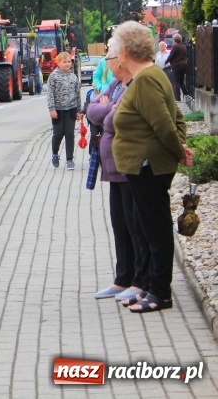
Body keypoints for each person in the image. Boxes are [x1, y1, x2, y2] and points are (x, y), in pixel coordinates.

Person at [112, 21, 193, 313]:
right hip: (142, 166)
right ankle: (149, 286)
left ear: (124, 51)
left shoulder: (146, 79)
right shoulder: (150, 75)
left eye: (114, 48)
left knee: (155, 230)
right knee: (145, 228)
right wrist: (180, 146)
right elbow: (176, 120)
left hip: (148, 166)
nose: (114, 54)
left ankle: (160, 293)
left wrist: (177, 151)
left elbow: (164, 124)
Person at [88, 44, 147, 302]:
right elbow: (93, 111)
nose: (107, 62)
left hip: (127, 166)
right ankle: (122, 278)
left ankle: (138, 280)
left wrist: (107, 108)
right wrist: (106, 107)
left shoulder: (132, 85)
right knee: (119, 224)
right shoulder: (116, 85)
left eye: (109, 57)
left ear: (120, 60)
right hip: (112, 167)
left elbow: (112, 119)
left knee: (134, 225)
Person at [46, 51, 82, 170]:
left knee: (70, 134)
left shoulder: (73, 77)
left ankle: (69, 159)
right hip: (58, 110)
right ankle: (55, 153)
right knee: (58, 134)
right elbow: (50, 93)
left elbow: (77, 94)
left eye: (69, 62)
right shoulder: (53, 76)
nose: (67, 64)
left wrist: (78, 110)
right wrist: (52, 108)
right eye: (64, 62)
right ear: (58, 63)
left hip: (71, 109)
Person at [165, 33, 188, 102]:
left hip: (177, 65)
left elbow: (171, 56)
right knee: (181, 81)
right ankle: (186, 94)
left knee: (176, 82)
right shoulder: (183, 46)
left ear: (174, 40)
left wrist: (166, 62)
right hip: (184, 65)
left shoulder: (175, 46)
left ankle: (177, 98)